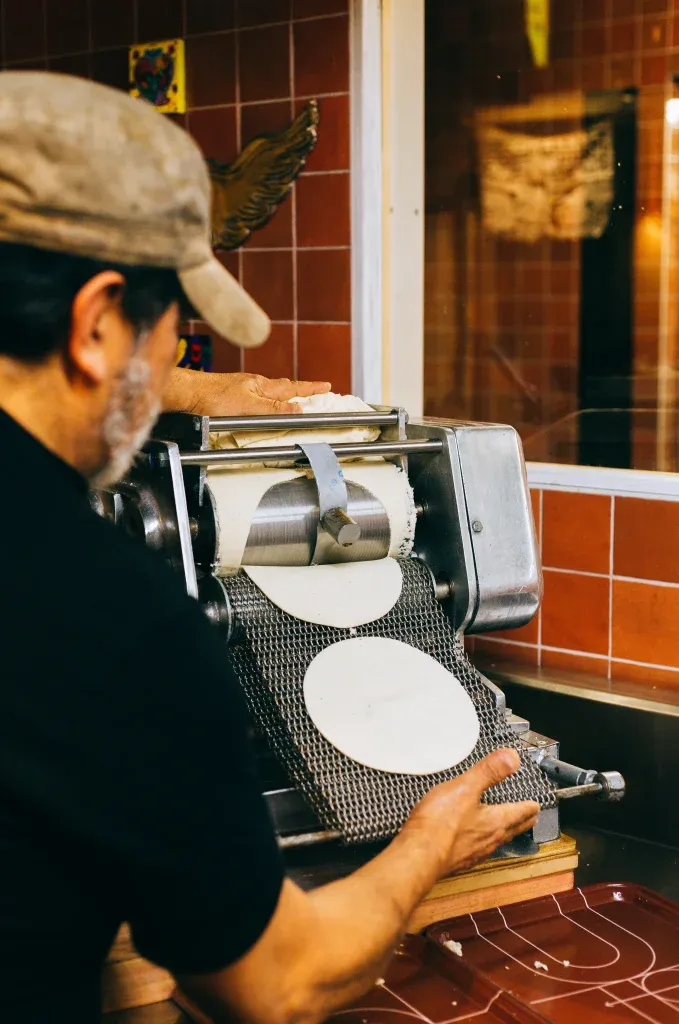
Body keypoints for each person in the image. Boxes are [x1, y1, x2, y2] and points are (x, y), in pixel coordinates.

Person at [0, 73, 539, 1023]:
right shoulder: (103, 612)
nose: (170, 367)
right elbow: (275, 986)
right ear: (96, 325)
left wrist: (189, 392)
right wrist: (429, 844)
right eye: (174, 338)